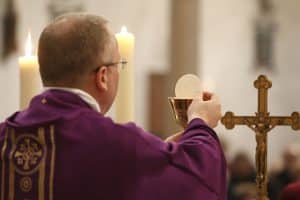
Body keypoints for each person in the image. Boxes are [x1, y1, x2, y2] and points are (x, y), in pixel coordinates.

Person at [0, 13, 227, 200]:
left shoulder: (5, 137)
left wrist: (158, 150)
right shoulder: (118, 142)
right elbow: (197, 180)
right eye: (119, 64)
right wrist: (201, 123)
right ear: (103, 77)